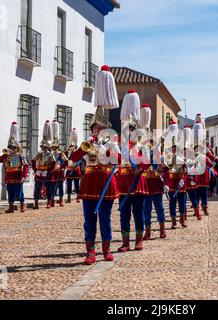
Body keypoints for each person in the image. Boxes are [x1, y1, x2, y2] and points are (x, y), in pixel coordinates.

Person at [70, 65, 120, 265]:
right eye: (94, 128)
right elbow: (74, 157)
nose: (97, 130)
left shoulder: (112, 143)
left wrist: (105, 146)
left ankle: (106, 249)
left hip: (107, 184)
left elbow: (117, 160)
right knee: (89, 220)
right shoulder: (87, 143)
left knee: (105, 218)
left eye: (99, 128)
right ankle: (90, 251)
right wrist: (86, 146)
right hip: (90, 183)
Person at [117, 90, 149, 252]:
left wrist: (139, 170)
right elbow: (115, 162)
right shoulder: (120, 147)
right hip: (123, 184)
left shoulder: (140, 145)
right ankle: (125, 242)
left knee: (138, 213)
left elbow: (147, 161)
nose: (128, 131)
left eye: (130, 129)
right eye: (126, 129)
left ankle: (139, 241)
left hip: (137, 183)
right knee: (124, 216)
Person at [141, 106, 167, 241]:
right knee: (146, 210)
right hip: (145, 185)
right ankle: (148, 231)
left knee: (159, 208)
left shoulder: (158, 155)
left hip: (156, 184)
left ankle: (162, 229)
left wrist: (166, 183)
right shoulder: (141, 154)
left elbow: (164, 169)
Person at [0, 122, 28, 213]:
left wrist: (24, 176)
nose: (10, 148)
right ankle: (11, 206)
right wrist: (4, 154)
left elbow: (25, 165)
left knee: (19, 192)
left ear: (15, 147)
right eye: (9, 146)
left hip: (18, 175)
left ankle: (22, 206)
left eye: (12, 147)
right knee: (10, 192)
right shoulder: (7, 155)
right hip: (9, 176)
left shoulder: (20, 155)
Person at [31, 121, 56, 210]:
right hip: (39, 172)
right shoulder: (38, 153)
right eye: (42, 146)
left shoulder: (50, 154)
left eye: (44, 146)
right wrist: (35, 170)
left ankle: (48, 202)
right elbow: (33, 161)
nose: (43, 148)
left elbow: (53, 164)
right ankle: (36, 203)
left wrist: (47, 171)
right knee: (37, 189)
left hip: (47, 173)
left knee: (49, 188)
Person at [50, 120, 68, 208]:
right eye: (52, 147)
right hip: (53, 172)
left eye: (54, 147)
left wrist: (62, 167)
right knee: (53, 187)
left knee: (60, 187)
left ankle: (61, 200)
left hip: (59, 172)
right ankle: (52, 200)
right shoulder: (50, 154)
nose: (53, 148)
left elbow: (66, 162)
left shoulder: (61, 154)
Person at [66, 129, 81, 204]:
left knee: (76, 185)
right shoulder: (67, 153)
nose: (72, 148)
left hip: (76, 170)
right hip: (69, 170)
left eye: (73, 146)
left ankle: (78, 197)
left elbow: (81, 161)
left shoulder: (78, 153)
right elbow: (65, 161)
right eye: (71, 146)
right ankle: (68, 198)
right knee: (68, 185)